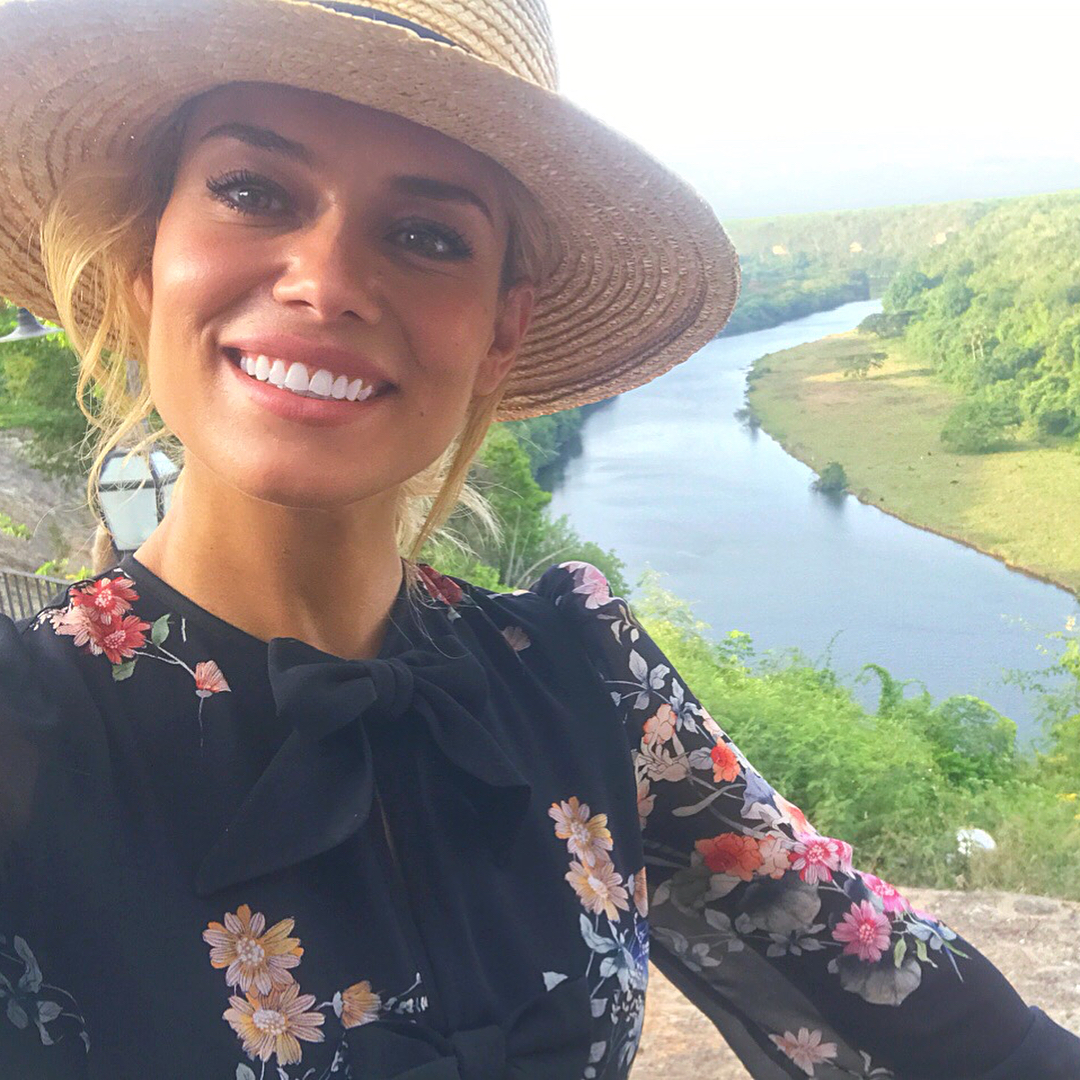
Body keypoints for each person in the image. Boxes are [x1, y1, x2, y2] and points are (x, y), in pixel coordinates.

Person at [0, 2, 1076, 1077]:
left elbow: (935, 1012)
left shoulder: (582, 674)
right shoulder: (25, 734)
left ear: (500, 330)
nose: (322, 283)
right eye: (251, 192)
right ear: (145, 261)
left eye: (427, 236)